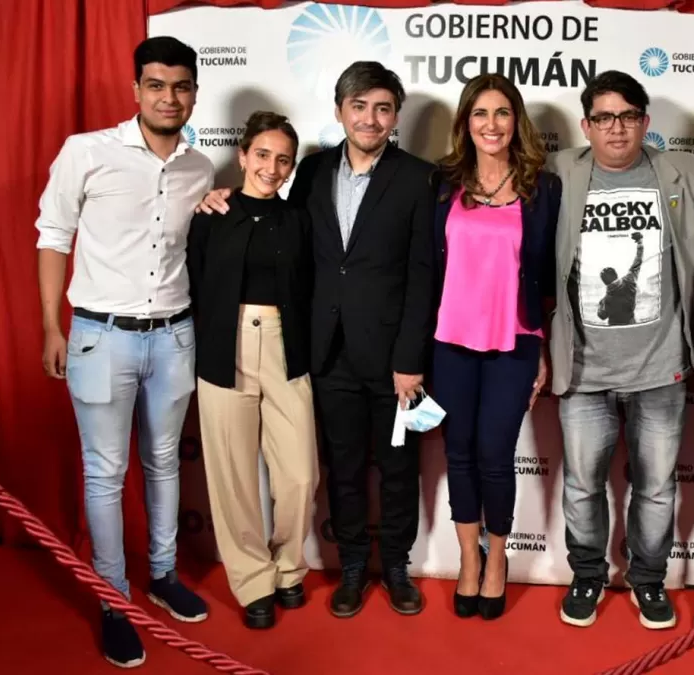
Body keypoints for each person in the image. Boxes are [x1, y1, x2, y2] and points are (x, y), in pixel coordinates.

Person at [199, 61, 436, 618]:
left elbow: (424, 274)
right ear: (339, 111)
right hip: (321, 352)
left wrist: (410, 358)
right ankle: (352, 564)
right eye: (359, 106)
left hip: (392, 359)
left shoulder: (419, 177)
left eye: (382, 107)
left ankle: (396, 566)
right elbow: (276, 224)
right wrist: (216, 200)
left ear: (395, 115)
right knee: (342, 467)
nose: (370, 118)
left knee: (399, 468)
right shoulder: (309, 170)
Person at [35, 36, 213, 668]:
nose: (170, 97)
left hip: (174, 335)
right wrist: (53, 328)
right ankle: (113, 599)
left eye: (182, 86)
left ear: (195, 92)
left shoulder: (200, 169)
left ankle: (162, 575)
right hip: (99, 335)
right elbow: (53, 235)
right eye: (157, 85)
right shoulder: (87, 152)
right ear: (135, 89)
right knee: (105, 472)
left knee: (165, 462)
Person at [550, 70, 694, 631]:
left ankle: (647, 579)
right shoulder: (559, 173)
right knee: (581, 484)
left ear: (645, 121)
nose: (615, 128)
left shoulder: (686, 173)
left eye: (627, 116)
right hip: (585, 369)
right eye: (603, 118)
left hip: (660, 368)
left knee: (658, 486)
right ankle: (588, 573)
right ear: (585, 125)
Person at [429, 73, 561, 621]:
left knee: (495, 454)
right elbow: (422, 265)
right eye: (480, 114)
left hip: (515, 341)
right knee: (458, 452)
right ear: (465, 123)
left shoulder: (542, 187)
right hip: (448, 342)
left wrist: (547, 345)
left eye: (502, 113)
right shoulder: (440, 184)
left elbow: (550, 274)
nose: (491, 124)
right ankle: (467, 559)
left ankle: (498, 560)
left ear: (517, 121)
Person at [186, 112, 316, 630]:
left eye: (283, 159)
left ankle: (289, 568)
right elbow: (192, 284)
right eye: (262, 154)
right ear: (242, 156)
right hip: (224, 346)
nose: (272, 166)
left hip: (287, 347)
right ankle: (253, 582)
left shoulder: (300, 220)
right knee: (233, 475)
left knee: (300, 475)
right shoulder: (210, 215)